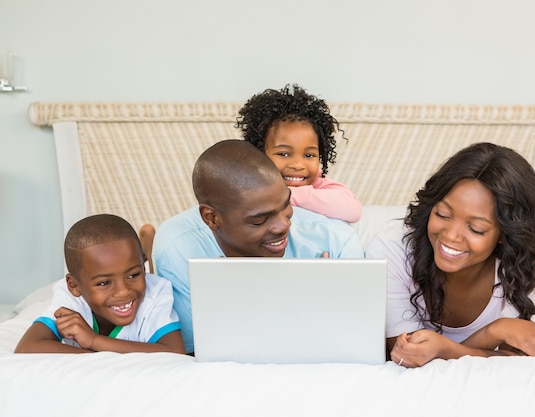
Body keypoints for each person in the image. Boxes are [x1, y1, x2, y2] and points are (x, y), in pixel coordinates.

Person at [365, 142, 535, 368]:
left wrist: (446, 348)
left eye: (476, 229)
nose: (452, 236)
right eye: (443, 214)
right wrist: (495, 332)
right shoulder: (391, 249)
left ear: (505, 234)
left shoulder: (524, 260)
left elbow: (519, 359)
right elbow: (408, 355)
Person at [153, 139, 364, 354]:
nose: (283, 226)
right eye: (260, 220)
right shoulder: (177, 247)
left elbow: (359, 343)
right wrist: (312, 306)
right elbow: (199, 351)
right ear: (212, 218)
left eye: (286, 206)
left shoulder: (335, 241)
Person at [14, 214, 185, 354]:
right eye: (104, 282)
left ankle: (147, 248)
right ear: (74, 286)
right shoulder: (68, 299)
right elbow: (27, 348)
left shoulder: (156, 291)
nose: (123, 292)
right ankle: (145, 246)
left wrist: (94, 341)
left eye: (133, 275)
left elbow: (175, 353)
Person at [236, 84, 362, 223]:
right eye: (283, 154)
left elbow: (352, 210)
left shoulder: (318, 184)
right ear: (259, 154)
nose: (297, 165)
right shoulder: (249, 186)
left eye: (309, 155)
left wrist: (286, 195)